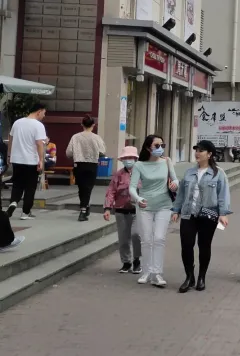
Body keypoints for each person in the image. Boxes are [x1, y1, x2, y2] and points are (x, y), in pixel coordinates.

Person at [171, 140, 231, 293]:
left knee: (204, 246)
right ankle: (189, 276)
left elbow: (223, 195)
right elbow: (181, 193)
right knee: (186, 245)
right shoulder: (189, 172)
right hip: (188, 213)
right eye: (196, 150)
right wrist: (176, 210)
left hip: (208, 215)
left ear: (209, 154)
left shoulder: (218, 173)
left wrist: (223, 214)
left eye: (201, 150)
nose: (197, 153)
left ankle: (201, 277)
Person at [129, 134, 180, 287]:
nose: (160, 148)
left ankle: (157, 273)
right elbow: (132, 187)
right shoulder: (139, 165)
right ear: (147, 148)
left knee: (159, 238)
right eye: (157, 146)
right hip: (145, 206)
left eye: (162, 145)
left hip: (164, 205)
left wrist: (175, 184)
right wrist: (138, 199)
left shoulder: (167, 161)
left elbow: (175, 179)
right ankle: (146, 271)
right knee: (146, 239)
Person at [103, 146, 143, 274]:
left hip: (137, 210)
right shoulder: (118, 174)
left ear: (135, 159)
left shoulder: (141, 173)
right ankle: (126, 262)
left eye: (130, 157)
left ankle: (137, 260)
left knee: (136, 235)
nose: (128, 160)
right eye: (126, 158)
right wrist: (107, 208)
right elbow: (111, 191)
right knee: (123, 238)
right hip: (121, 210)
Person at [6, 102, 47, 220]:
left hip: (16, 159)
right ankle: (25, 212)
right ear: (39, 111)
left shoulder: (17, 123)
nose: (44, 116)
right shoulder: (38, 125)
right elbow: (39, 144)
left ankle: (13, 202)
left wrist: (9, 155)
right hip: (31, 161)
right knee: (30, 187)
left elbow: (10, 139)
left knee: (17, 185)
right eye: (44, 113)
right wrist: (41, 160)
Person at [66, 115, 106, 221]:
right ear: (93, 125)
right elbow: (102, 151)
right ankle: (83, 210)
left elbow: (69, 153)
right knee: (88, 187)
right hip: (92, 164)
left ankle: (85, 206)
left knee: (81, 187)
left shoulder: (75, 137)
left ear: (82, 124)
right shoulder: (96, 138)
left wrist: (77, 154)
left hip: (79, 164)